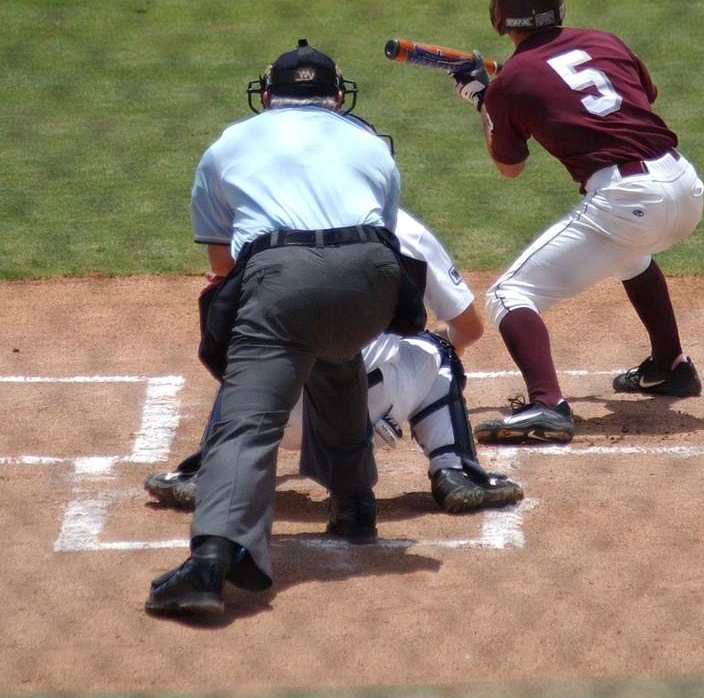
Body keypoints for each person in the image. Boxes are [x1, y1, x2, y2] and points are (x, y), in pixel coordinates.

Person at [145, 39, 412, 618]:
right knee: (337, 355)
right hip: (373, 283)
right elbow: (382, 235)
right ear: (337, 96)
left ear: (267, 96)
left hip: (283, 281)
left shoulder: (229, 143)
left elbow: (223, 266)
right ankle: (355, 507)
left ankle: (210, 559)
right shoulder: (372, 144)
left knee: (248, 418)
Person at [450, 0, 704, 446]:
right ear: (558, 5)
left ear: (498, 15)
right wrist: (506, 90)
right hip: (684, 185)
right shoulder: (605, 41)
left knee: (508, 295)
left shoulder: (512, 83)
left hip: (627, 199)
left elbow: (509, 167)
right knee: (629, 253)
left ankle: (547, 404)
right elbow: (637, 96)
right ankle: (670, 365)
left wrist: (486, 101)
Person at [144, 208, 523, 515]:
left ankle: (210, 471)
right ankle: (455, 471)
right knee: (438, 350)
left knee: (250, 348)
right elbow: (469, 329)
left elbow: (220, 321)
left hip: (271, 411)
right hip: (370, 412)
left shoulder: (263, 221)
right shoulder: (401, 226)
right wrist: (437, 340)